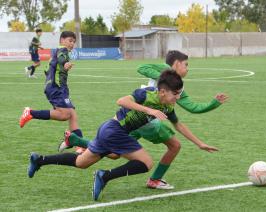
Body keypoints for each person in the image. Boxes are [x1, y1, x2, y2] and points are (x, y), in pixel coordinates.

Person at [27, 70, 218, 201]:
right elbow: (122, 100)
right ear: (162, 91)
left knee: (81, 163)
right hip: (114, 129)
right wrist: (148, 111)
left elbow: (179, 125)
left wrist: (200, 144)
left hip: (110, 131)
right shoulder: (147, 94)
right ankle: (104, 176)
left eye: (179, 93)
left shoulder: (167, 106)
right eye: (175, 94)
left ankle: (39, 160)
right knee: (146, 163)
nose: (178, 97)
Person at [58, 50, 228, 189]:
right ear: (175, 64)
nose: (188, 68)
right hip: (145, 121)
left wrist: (201, 138)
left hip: (136, 121)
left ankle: (76, 140)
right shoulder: (160, 80)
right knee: (171, 147)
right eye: (186, 64)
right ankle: (152, 180)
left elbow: (186, 113)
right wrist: (162, 81)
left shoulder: (174, 91)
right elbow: (141, 69)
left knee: (113, 154)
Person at [19, 31, 84, 146]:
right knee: (64, 115)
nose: (72, 44)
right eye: (70, 40)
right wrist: (65, 64)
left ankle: (80, 146)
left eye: (74, 42)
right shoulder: (62, 50)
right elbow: (61, 59)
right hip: (56, 87)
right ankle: (30, 113)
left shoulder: (55, 52)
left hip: (57, 87)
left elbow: (46, 69)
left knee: (72, 114)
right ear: (62, 40)